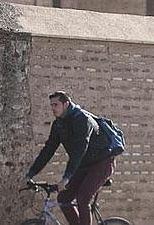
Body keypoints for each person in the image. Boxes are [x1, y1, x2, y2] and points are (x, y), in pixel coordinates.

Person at [26, 91, 115, 225]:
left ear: (66, 104)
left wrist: (66, 177)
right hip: (83, 165)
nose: (53, 108)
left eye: (56, 105)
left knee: (83, 197)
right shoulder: (58, 124)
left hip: (101, 163)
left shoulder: (83, 120)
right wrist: (31, 174)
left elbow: (80, 150)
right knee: (63, 198)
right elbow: (48, 150)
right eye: (51, 105)